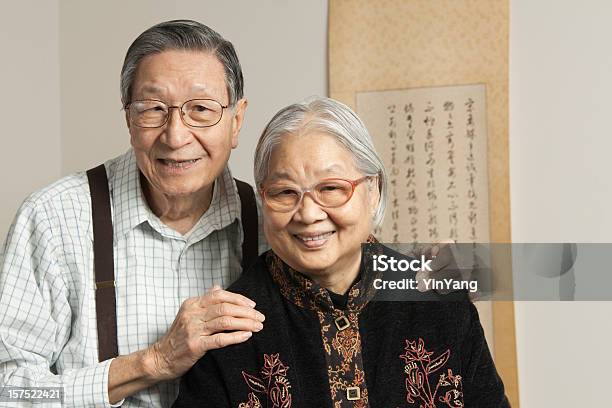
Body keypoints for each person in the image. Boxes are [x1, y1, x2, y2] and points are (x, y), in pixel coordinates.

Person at [173, 97, 509, 407]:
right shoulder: (228, 325)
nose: (307, 214)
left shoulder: (437, 296)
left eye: (331, 188)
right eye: (285, 192)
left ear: (373, 190)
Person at [0, 20, 266, 407]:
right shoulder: (54, 218)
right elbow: (9, 389)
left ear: (237, 120)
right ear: (128, 118)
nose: (176, 136)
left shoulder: (271, 225)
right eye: (152, 109)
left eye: (201, 110)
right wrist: (154, 361)